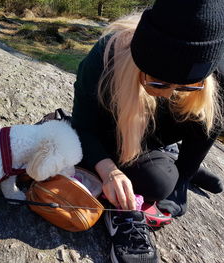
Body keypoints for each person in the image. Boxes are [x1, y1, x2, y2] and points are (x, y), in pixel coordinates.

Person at [71, 0, 224, 262]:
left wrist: (184, 176)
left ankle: (177, 161)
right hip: (114, 131)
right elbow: (83, 125)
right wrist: (109, 171)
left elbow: (209, 126)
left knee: (169, 181)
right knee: (156, 181)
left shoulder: (216, 68)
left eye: (186, 86)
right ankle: (165, 159)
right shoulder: (107, 55)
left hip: (156, 137)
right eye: (158, 82)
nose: (169, 93)